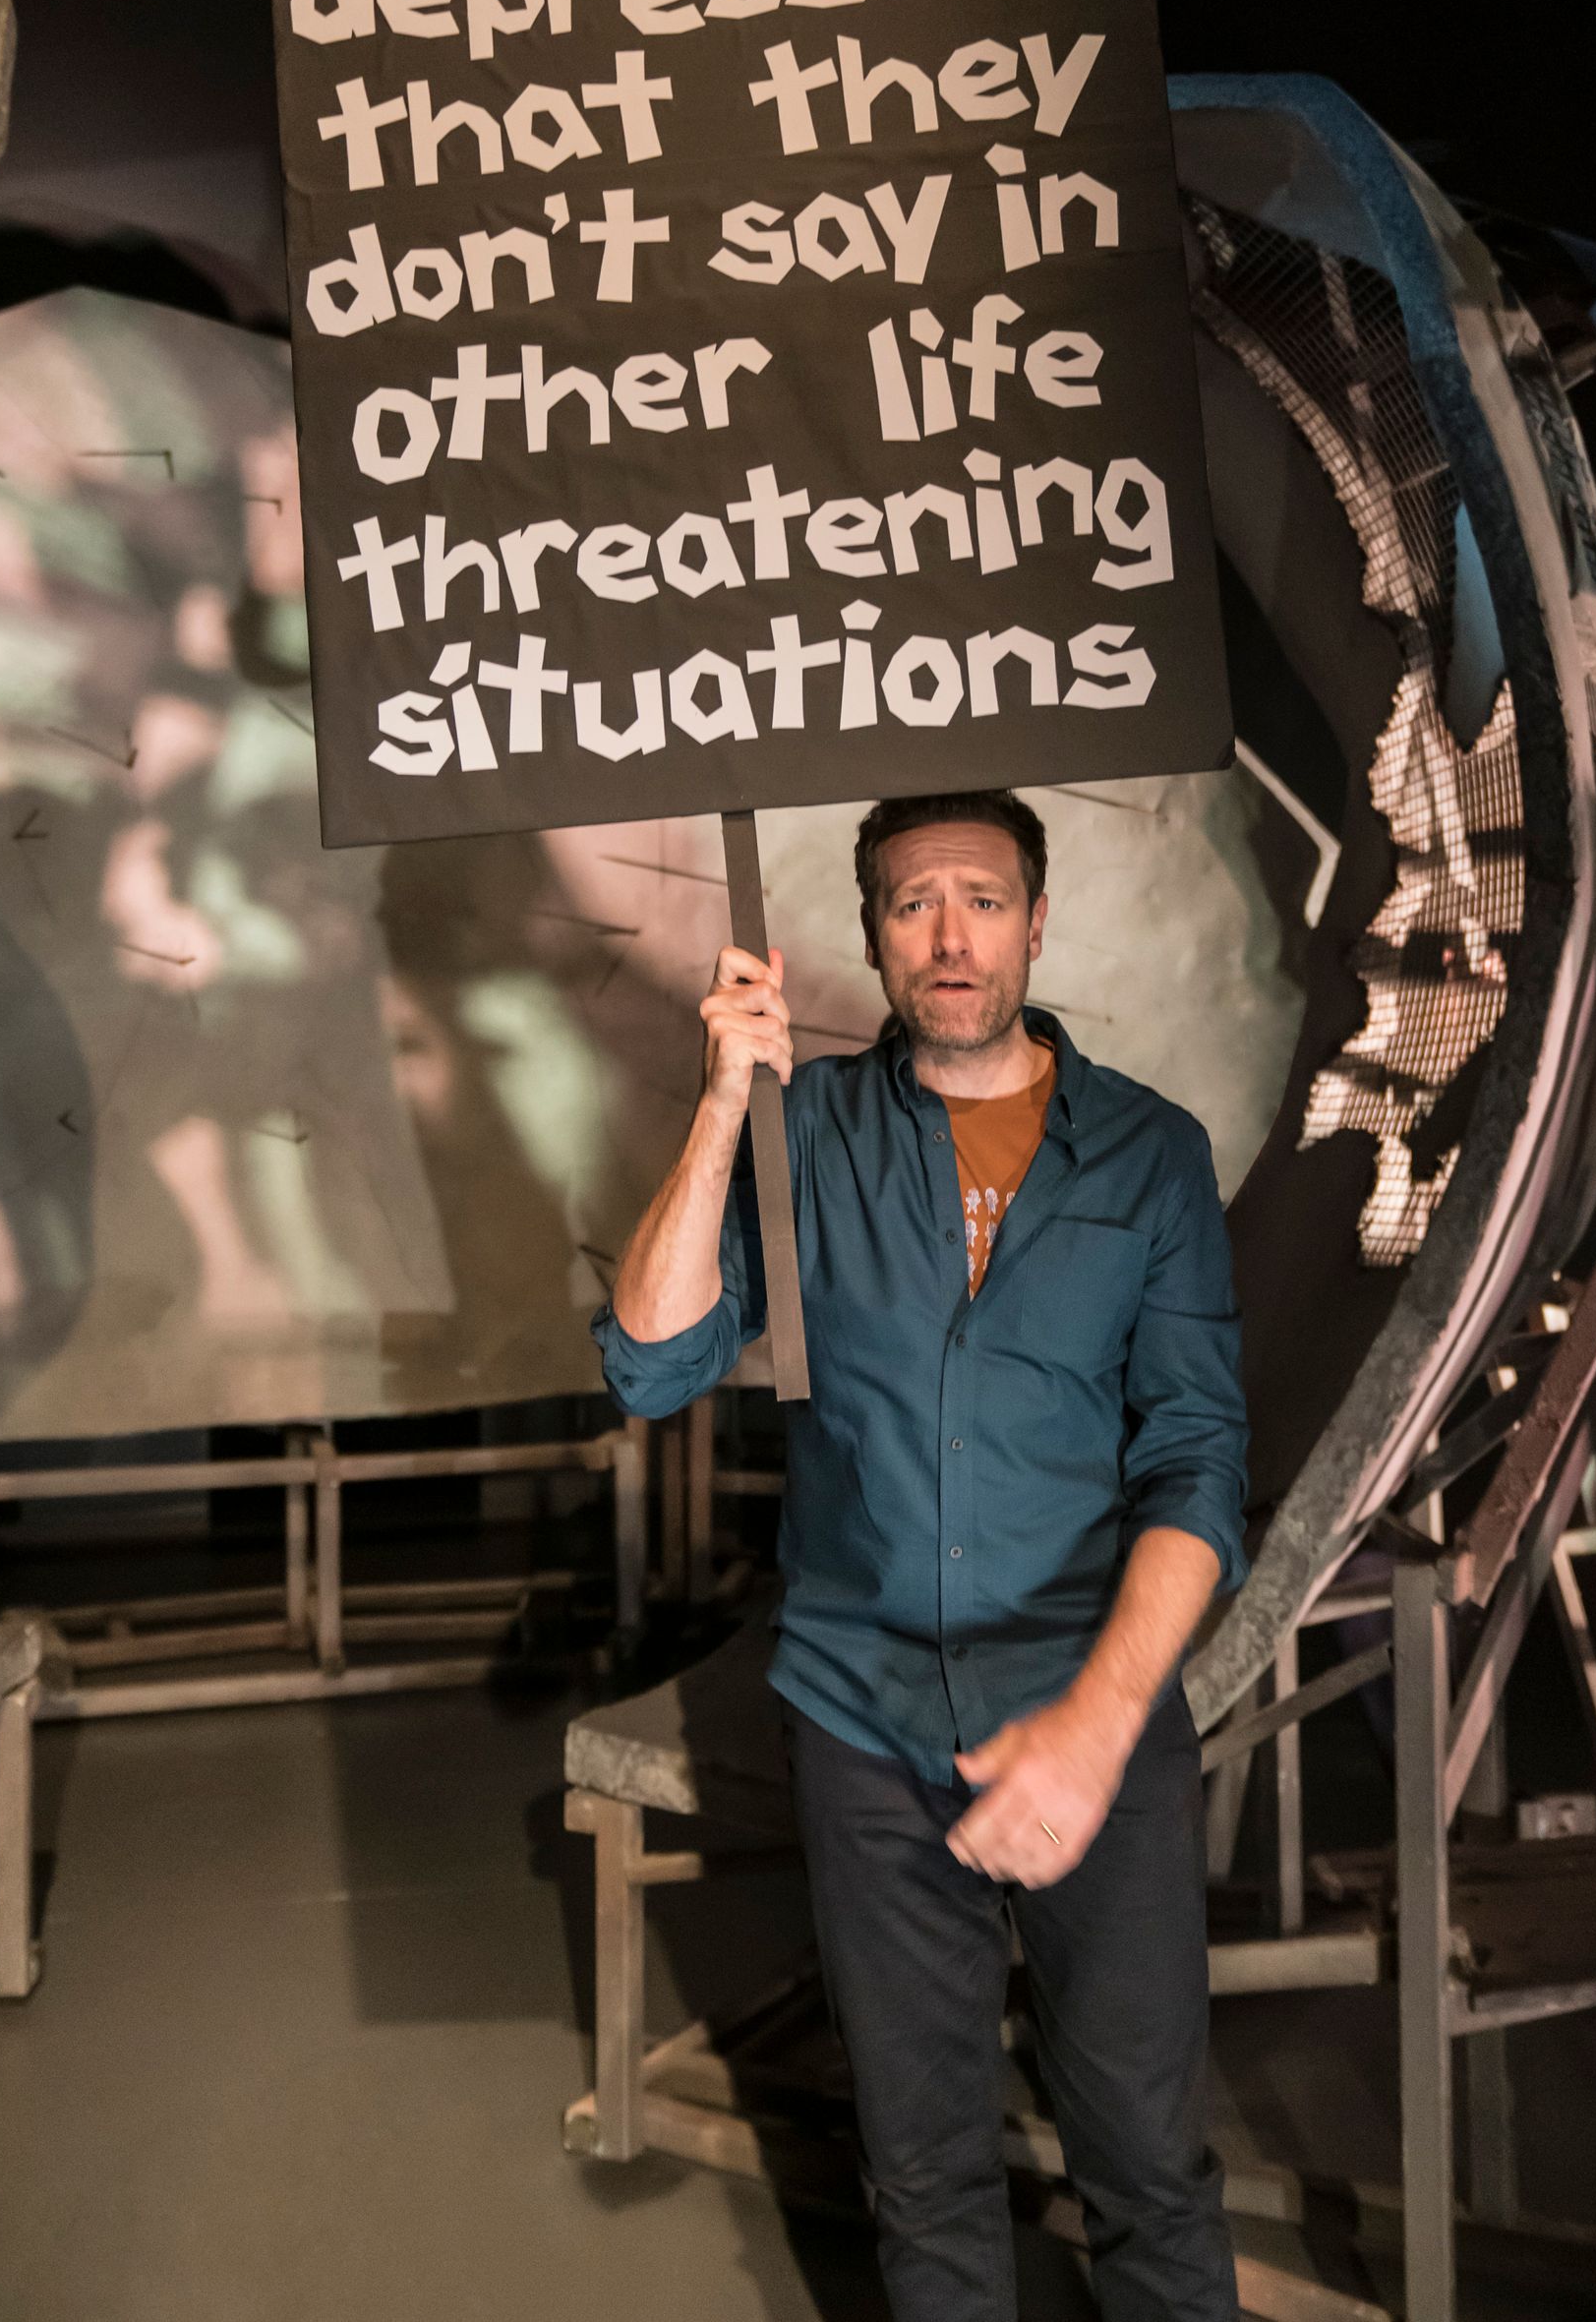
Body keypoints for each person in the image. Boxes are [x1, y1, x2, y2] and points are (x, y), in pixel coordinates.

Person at [597, 788, 1248, 2321]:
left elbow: (1200, 1462)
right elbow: (651, 1363)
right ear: (875, 935)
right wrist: (721, 1104)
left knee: (1151, 2170)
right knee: (926, 2175)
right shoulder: (800, 1134)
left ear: (1038, 921)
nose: (952, 938)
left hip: (1090, 1712)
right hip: (865, 1722)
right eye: (913, 904)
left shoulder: (1150, 1155)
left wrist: (1096, 1730)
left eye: (984, 899)